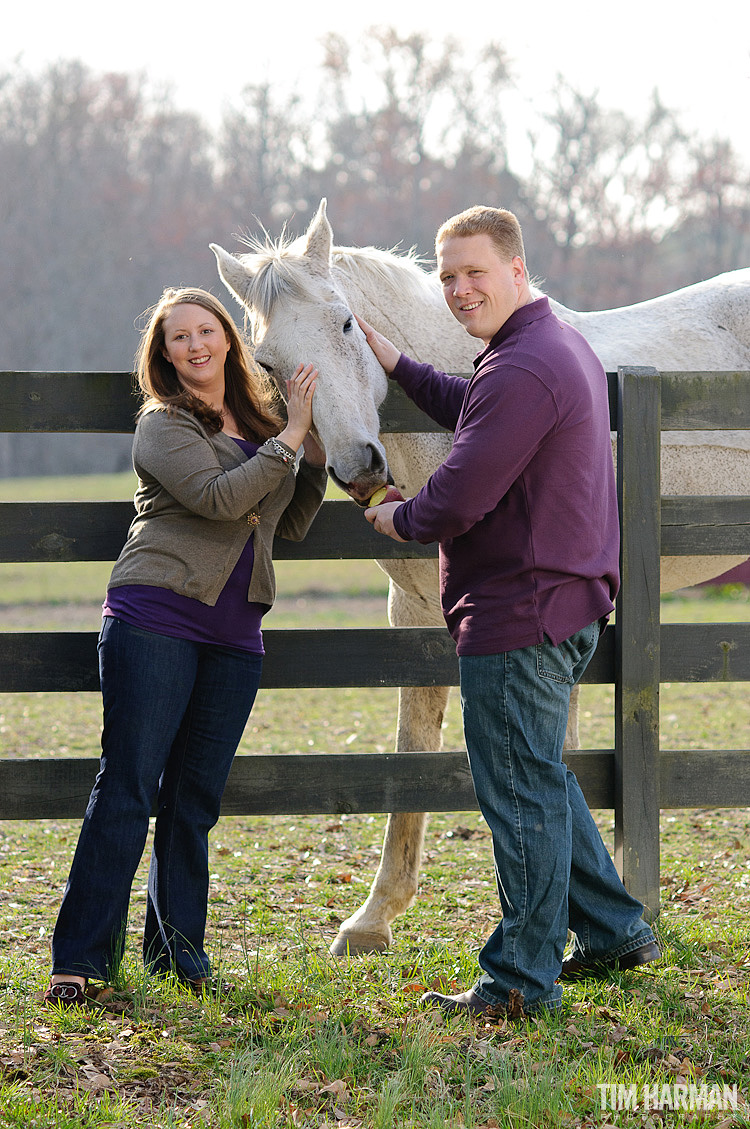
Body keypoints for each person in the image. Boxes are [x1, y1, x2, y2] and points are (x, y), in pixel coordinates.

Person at [359, 206, 659, 1016]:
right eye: (447, 275)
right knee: (541, 780)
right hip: (553, 604)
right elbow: (475, 407)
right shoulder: (540, 347)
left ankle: (522, 977)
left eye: (475, 272)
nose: (459, 289)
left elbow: (459, 492)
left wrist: (400, 516)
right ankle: (615, 929)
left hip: (519, 611)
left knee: (518, 791)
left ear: (517, 269)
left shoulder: (523, 366)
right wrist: (397, 361)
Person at [45, 287, 327, 1007]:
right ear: (164, 354)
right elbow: (221, 498)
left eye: (207, 330)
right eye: (180, 337)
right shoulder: (163, 424)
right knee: (130, 784)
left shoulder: (264, 421)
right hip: (157, 616)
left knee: (194, 798)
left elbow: (283, 524)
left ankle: (177, 952)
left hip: (236, 632)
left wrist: (312, 450)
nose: (196, 344)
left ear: (229, 340)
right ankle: (79, 960)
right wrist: (288, 440)